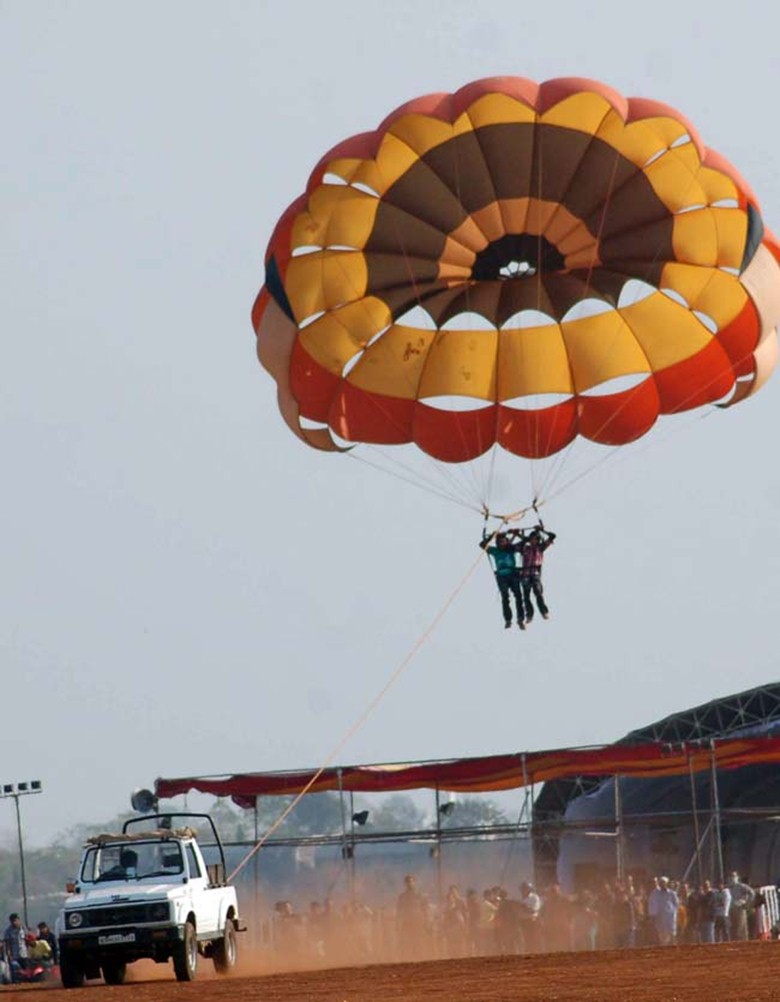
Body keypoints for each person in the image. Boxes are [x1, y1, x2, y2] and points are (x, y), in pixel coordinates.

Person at [480, 529, 525, 630]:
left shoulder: (511, 548)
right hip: (502, 576)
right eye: (499, 542)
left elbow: (525, 541)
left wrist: (516, 534)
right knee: (505, 597)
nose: (501, 543)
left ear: (506, 541)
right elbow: (482, 544)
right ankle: (508, 620)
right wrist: (491, 536)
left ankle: (520, 619)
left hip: (513, 575)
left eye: (503, 541)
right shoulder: (495, 551)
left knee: (518, 596)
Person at [517, 524, 556, 622]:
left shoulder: (541, 548)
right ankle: (529, 615)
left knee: (538, 593)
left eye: (535, 539)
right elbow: (512, 547)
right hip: (525, 574)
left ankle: (544, 611)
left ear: (538, 540)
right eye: (532, 539)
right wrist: (517, 534)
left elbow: (552, 536)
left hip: (535, 573)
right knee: (526, 596)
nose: (533, 541)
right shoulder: (524, 548)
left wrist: (542, 530)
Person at [647, 876, 679, 946]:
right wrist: (652, 915)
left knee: (672, 933)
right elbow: (653, 904)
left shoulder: (672, 893)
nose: (662, 884)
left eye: (664, 883)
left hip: (670, 917)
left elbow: (676, 904)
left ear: (667, 884)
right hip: (660, 917)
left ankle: (674, 947)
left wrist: (673, 913)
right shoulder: (655, 893)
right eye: (661, 883)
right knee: (662, 934)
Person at [727, 871, 754, 941]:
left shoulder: (741, 886)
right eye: (730, 877)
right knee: (732, 928)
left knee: (741, 927)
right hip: (730, 909)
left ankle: (743, 942)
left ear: (737, 877)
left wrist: (747, 903)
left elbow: (752, 893)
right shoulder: (727, 888)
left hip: (739, 908)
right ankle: (733, 941)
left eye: (733, 876)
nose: (731, 878)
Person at [3, 914, 29, 980]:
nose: (14, 922)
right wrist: (9, 954)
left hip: (24, 954)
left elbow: (27, 941)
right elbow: (7, 944)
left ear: (18, 920)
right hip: (14, 955)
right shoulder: (8, 931)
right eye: (12, 921)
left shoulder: (24, 929)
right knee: (15, 971)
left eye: (15, 920)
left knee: (26, 971)